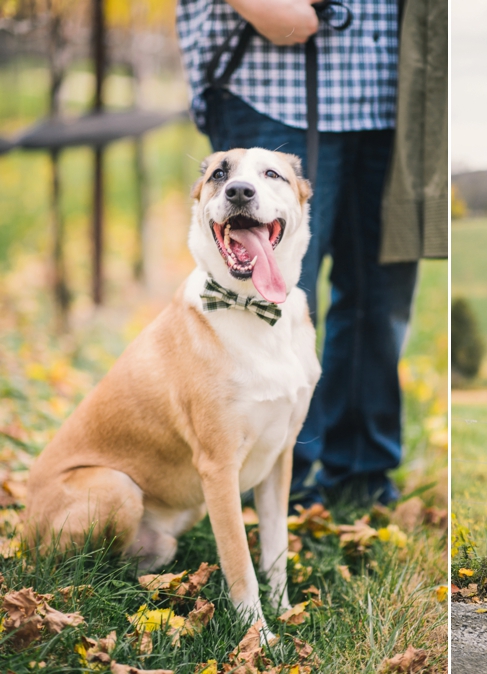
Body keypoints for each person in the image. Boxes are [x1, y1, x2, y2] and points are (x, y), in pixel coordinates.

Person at [176, 0, 447, 507]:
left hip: (396, 91)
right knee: (262, 289)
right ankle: (276, 484)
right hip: (269, 85)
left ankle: (362, 477)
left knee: (379, 293)